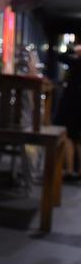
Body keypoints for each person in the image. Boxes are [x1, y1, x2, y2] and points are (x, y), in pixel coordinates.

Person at [55, 44, 81, 179]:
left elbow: (60, 56)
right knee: (77, 138)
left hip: (73, 103)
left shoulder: (77, 62)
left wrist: (74, 51)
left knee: (68, 135)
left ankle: (70, 170)